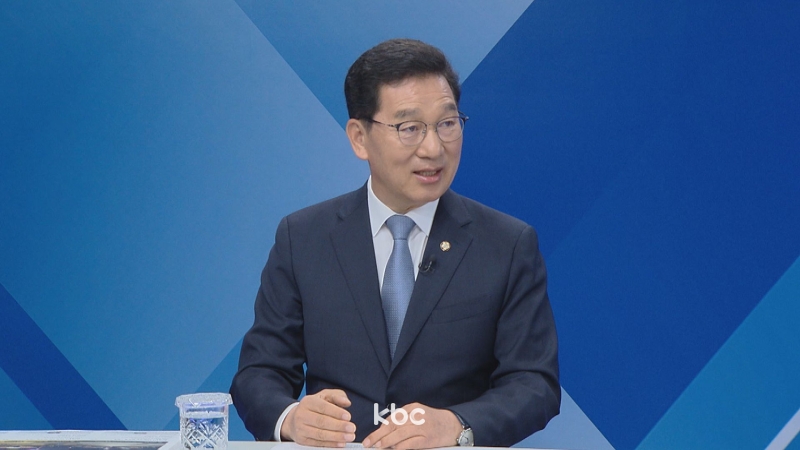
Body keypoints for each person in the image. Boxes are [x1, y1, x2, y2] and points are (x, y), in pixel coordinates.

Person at [230, 38, 560, 449]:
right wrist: (291, 418)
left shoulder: (507, 244)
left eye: (447, 123)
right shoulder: (304, 237)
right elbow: (259, 373)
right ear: (359, 137)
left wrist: (457, 425)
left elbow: (534, 383)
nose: (434, 148)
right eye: (409, 128)